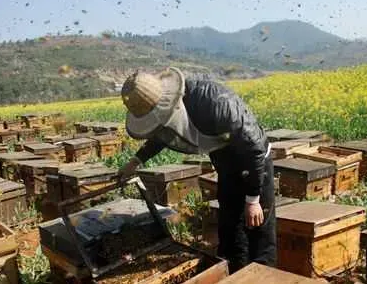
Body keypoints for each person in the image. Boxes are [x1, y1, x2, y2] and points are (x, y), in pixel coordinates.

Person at [118, 67, 276, 273]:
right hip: (226, 165)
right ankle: (235, 275)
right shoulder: (163, 112)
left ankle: (266, 276)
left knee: (259, 232)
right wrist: (135, 161)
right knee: (230, 229)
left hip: (255, 164)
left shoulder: (216, 103)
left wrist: (253, 199)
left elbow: (254, 149)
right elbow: (161, 136)